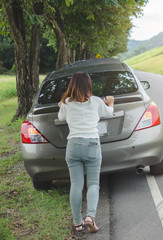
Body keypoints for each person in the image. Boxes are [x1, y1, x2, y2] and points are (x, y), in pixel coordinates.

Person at [58, 72, 114, 234]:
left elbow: (61, 117)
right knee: (93, 184)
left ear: (72, 86)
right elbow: (109, 113)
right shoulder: (96, 102)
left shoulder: (67, 103)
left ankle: (77, 223)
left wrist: (62, 104)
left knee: (76, 184)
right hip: (92, 144)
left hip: (73, 145)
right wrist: (110, 103)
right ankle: (90, 217)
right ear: (88, 85)